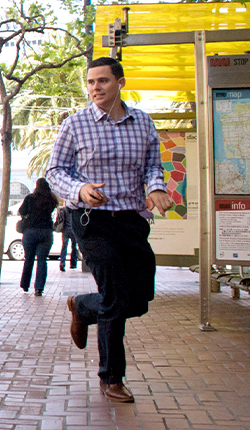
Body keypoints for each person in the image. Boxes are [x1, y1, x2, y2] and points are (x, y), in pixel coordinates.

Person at [46, 56, 173, 403]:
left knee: (139, 298)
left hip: (131, 219)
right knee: (116, 297)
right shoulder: (75, 124)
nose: (95, 88)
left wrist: (156, 188)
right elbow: (55, 171)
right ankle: (111, 377)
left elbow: (152, 166)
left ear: (120, 83)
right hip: (91, 221)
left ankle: (84, 307)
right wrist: (79, 190)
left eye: (102, 81)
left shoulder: (143, 123)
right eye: (90, 82)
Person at [18, 177, 58, 296]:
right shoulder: (51, 199)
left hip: (30, 231)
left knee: (28, 259)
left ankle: (25, 285)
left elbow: (22, 211)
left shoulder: (30, 198)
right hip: (46, 232)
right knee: (42, 260)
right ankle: (39, 288)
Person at [56, 206, 79, 271]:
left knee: (64, 247)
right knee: (74, 247)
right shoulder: (75, 209)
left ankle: (62, 263)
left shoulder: (63, 210)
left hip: (65, 230)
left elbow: (60, 219)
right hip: (73, 231)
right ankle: (73, 264)